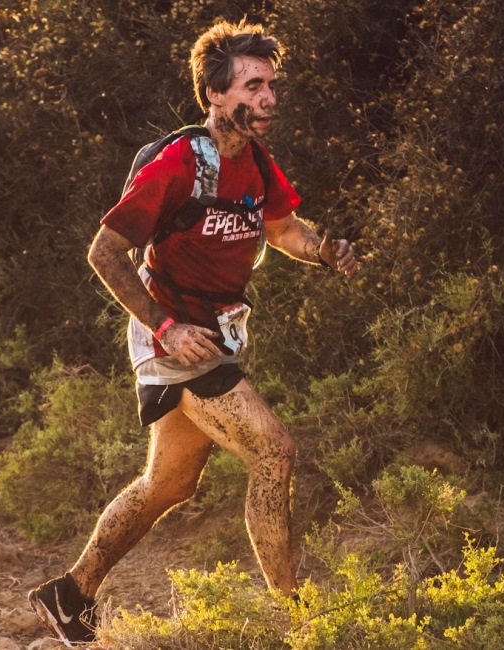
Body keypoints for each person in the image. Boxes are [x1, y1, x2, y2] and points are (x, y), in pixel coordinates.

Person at [27, 19, 358, 646]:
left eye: (271, 86)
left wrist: (325, 250)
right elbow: (104, 252)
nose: (268, 99)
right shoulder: (179, 163)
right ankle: (299, 622)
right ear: (215, 95)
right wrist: (166, 327)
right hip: (177, 340)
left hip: (213, 335)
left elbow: (284, 230)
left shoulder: (256, 164)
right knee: (275, 450)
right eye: (253, 86)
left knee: (169, 485)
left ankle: (69, 594)